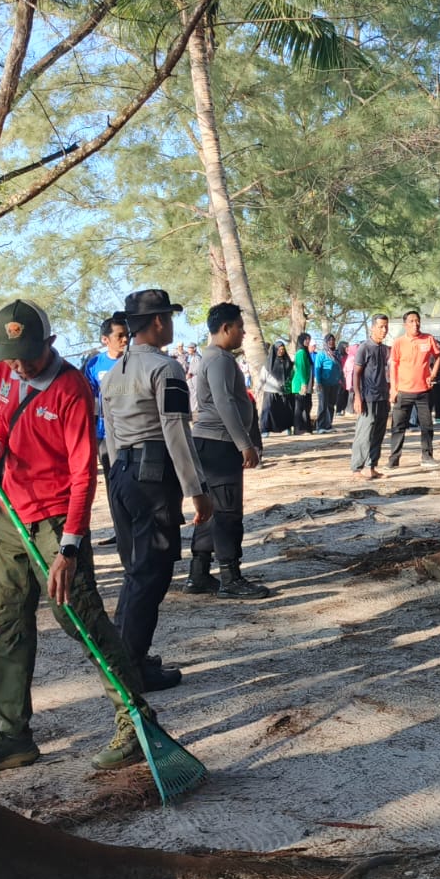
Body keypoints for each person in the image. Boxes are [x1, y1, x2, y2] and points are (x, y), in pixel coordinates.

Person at [0, 299, 154, 778]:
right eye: (12, 356)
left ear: (51, 343)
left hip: (57, 522)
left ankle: (136, 719)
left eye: (29, 355)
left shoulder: (72, 389)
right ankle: (12, 735)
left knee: (78, 616)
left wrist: (69, 549)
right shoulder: (3, 371)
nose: (20, 365)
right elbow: (0, 421)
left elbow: (84, 474)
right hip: (9, 516)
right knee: (8, 622)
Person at [100, 288, 213, 690]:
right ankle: (128, 665)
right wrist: (195, 487)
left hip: (121, 475)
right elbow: (175, 431)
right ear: (160, 321)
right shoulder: (166, 370)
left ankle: (127, 653)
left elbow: (111, 436)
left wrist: (117, 477)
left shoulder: (112, 374)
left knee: (136, 569)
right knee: (152, 573)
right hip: (154, 475)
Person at [186, 303, 272, 599]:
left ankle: (198, 574)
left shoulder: (210, 357)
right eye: (239, 327)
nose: (243, 333)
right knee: (226, 511)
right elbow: (224, 404)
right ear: (225, 328)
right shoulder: (220, 359)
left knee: (210, 509)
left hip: (210, 443)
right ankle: (230, 578)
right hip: (219, 444)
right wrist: (244, 444)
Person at [81, 313, 130, 561]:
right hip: (103, 436)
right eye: (119, 336)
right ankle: (120, 530)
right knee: (114, 484)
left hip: (131, 433)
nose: (124, 340)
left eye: (127, 335)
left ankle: (131, 530)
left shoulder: (133, 362)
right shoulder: (94, 365)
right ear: (105, 339)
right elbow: (87, 400)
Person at [388, 310, 440, 468]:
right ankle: (394, 460)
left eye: (417, 320)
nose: (415, 324)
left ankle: (427, 457)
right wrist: (393, 389)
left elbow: (438, 357)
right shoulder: (398, 342)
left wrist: (433, 374)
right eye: (411, 321)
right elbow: (394, 366)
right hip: (403, 391)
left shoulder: (428, 339)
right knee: (398, 427)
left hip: (423, 391)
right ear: (405, 325)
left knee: (427, 425)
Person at [350, 315, 393, 479]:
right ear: (372, 328)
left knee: (378, 433)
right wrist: (357, 397)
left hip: (382, 396)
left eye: (386, 327)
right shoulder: (364, 348)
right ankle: (357, 468)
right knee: (364, 433)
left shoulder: (384, 349)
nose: (384, 330)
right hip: (367, 397)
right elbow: (356, 374)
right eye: (381, 326)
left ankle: (371, 466)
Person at [260, 339, 293, 434]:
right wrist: (258, 389)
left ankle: (287, 428)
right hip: (270, 392)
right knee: (268, 412)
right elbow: (263, 378)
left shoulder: (287, 362)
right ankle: (265, 430)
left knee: (285, 411)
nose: (281, 351)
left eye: (283, 349)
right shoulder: (268, 364)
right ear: (275, 350)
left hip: (284, 391)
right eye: (279, 349)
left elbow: (291, 375)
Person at [313, 333, 341, 434]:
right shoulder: (321, 354)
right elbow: (317, 369)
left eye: (333, 340)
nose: (331, 342)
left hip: (335, 383)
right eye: (329, 340)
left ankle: (328, 425)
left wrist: (340, 379)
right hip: (323, 384)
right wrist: (319, 382)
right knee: (322, 405)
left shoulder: (337, 354)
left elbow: (339, 368)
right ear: (326, 342)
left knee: (331, 405)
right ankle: (320, 426)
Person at [289, 332, 314, 434]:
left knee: (306, 406)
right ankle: (298, 428)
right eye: (306, 339)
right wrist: (303, 384)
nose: (308, 341)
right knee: (299, 408)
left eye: (309, 339)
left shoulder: (305, 352)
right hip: (300, 384)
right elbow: (301, 369)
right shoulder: (300, 353)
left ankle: (306, 427)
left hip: (305, 383)